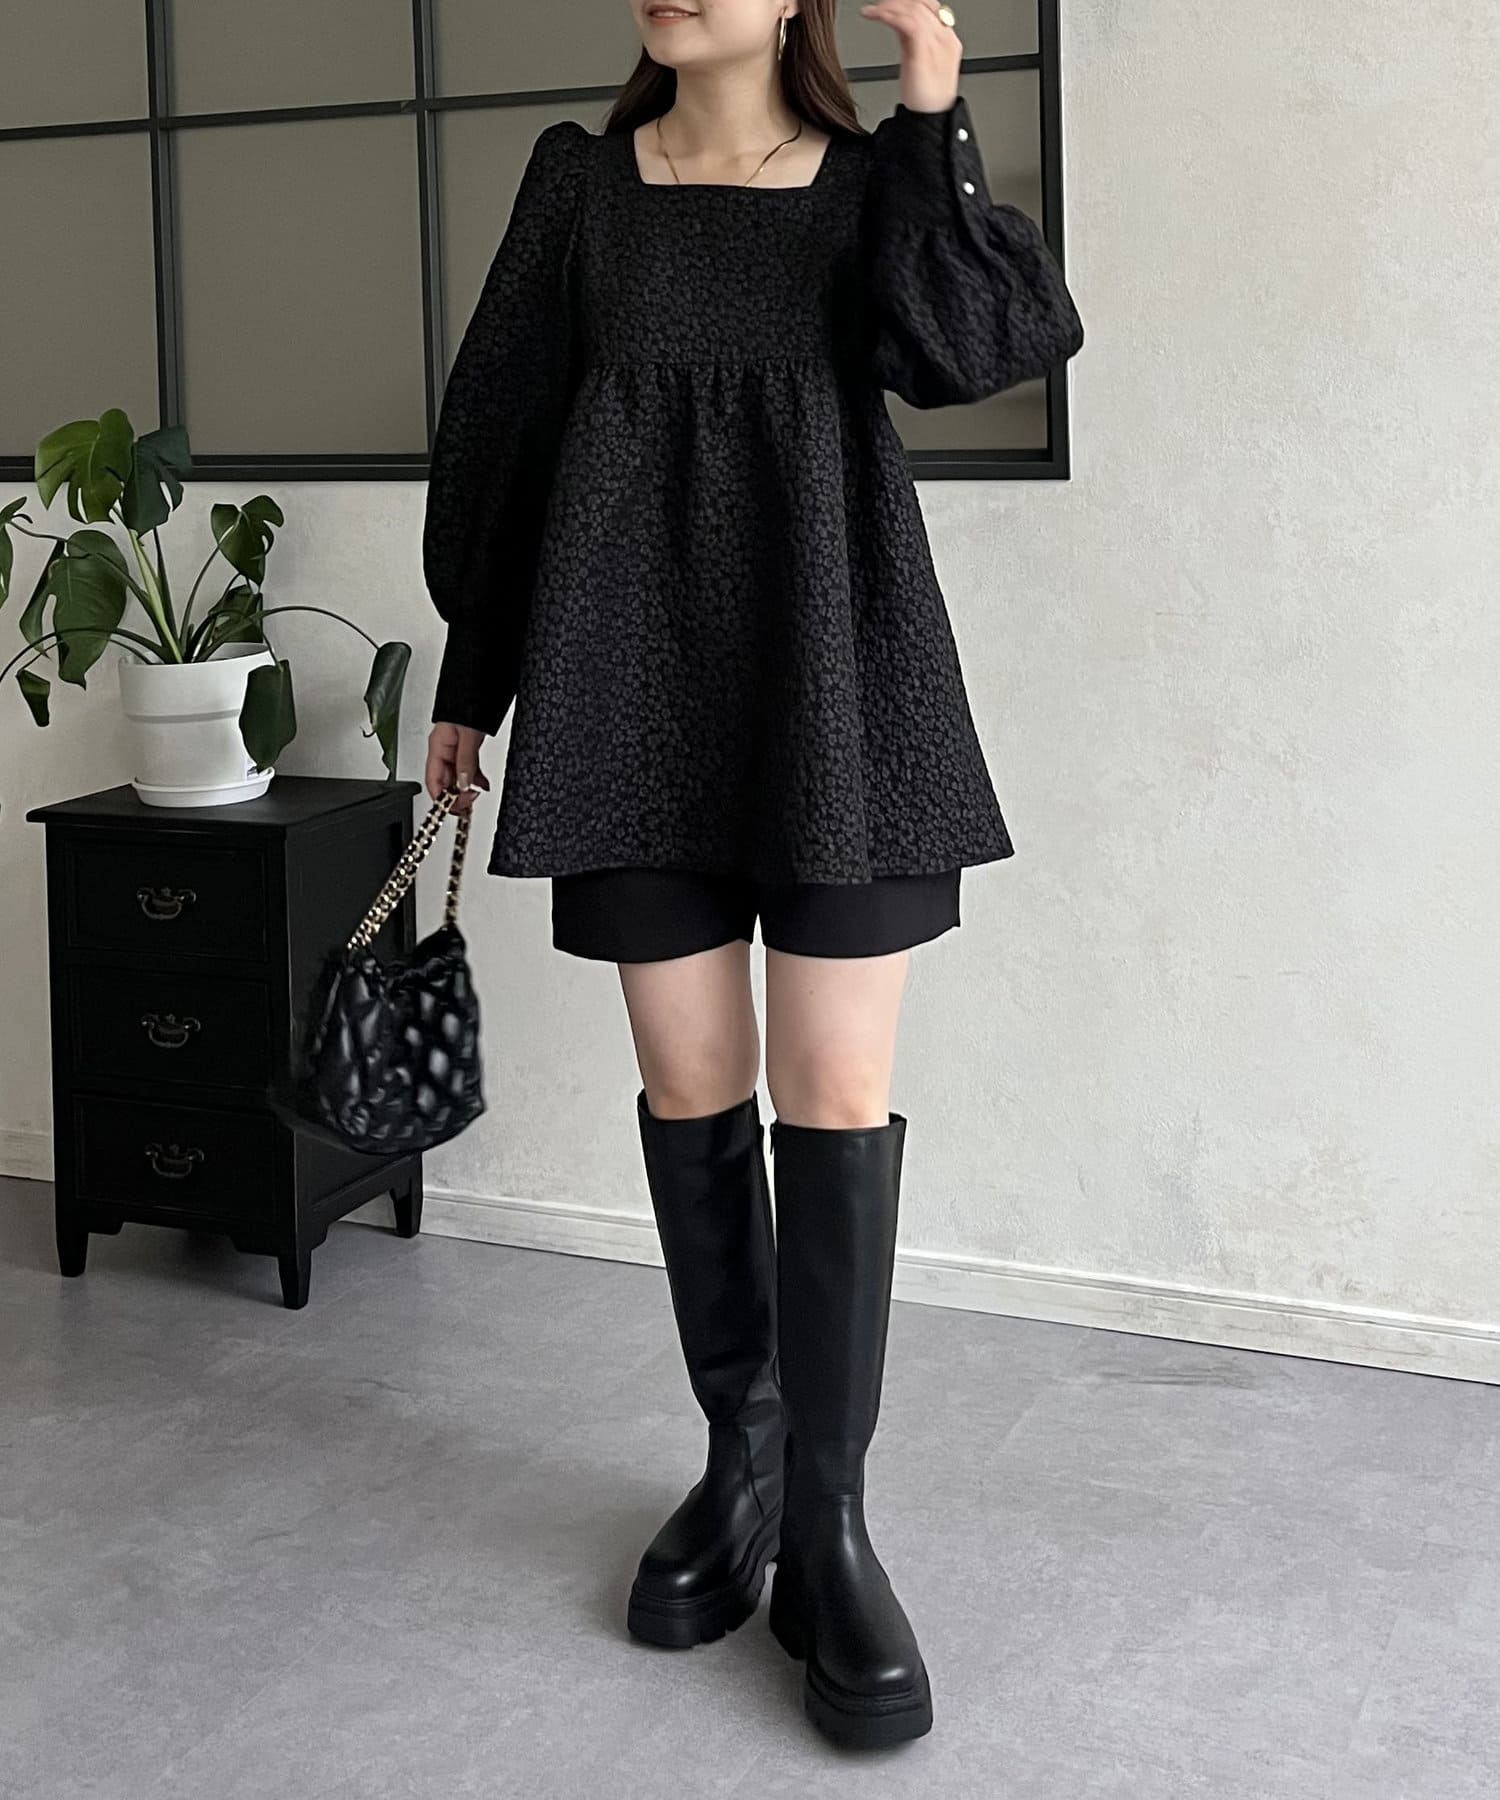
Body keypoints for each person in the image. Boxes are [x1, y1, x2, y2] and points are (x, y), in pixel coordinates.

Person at [422, 0, 1084, 1751]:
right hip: (625, 677)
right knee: (690, 1084)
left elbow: (983, 341)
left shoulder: (870, 185)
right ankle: (745, 1454)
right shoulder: (579, 187)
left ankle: (833, 1530)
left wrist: (934, 101)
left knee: (836, 1096)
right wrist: (473, 683)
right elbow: (504, 440)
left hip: (839, 684)